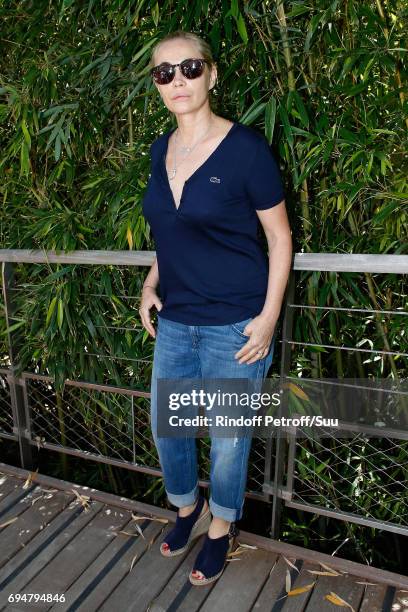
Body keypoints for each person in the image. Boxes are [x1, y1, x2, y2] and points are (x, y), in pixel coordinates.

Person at [139, 30, 292, 586]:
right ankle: (187, 510)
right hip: (177, 319)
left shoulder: (247, 149)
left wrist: (269, 315)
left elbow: (279, 239)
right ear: (156, 85)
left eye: (189, 68)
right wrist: (150, 283)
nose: (178, 80)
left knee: (228, 440)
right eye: (164, 73)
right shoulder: (161, 149)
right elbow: (170, 229)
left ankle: (221, 528)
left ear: (212, 74)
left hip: (236, 323)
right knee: (170, 430)